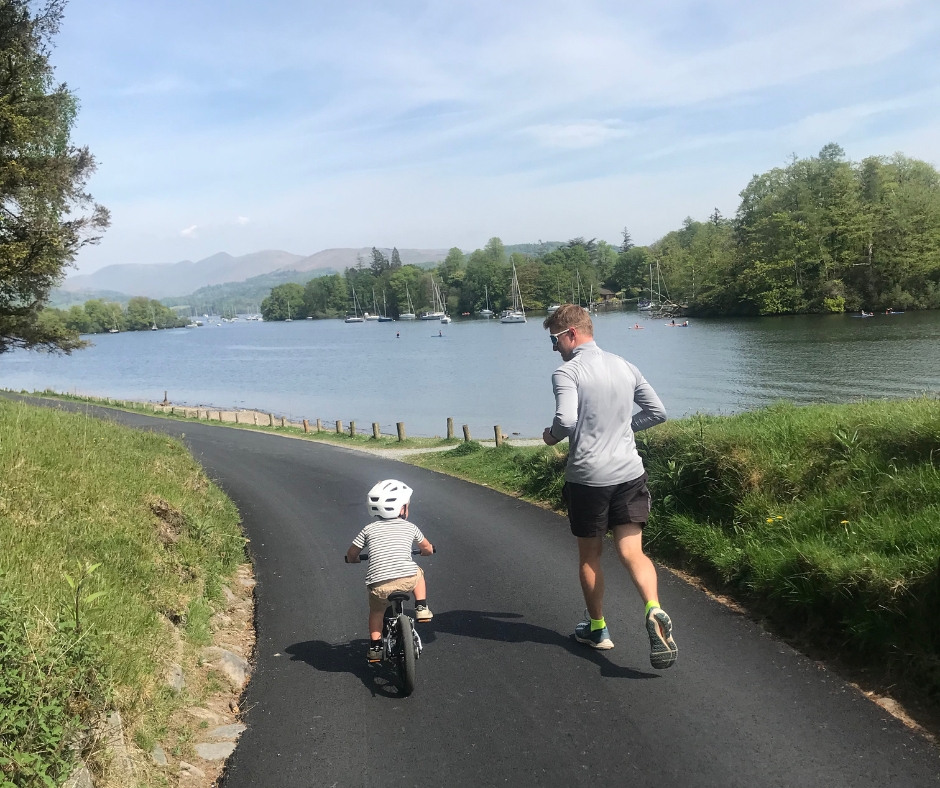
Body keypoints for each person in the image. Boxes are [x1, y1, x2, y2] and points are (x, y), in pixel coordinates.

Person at [541, 304, 678, 670]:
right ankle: (653, 608)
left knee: (590, 556)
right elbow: (658, 412)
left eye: (555, 340)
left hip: (589, 479)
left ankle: (598, 629)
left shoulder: (567, 372)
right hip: (630, 473)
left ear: (571, 334)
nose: (554, 347)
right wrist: (622, 428)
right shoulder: (625, 365)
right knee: (633, 552)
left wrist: (550, 437)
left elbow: (565, 419)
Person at [346, 479, 434, 663]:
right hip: (407, 579)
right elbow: (426, 547)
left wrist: (353, 559)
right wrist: (428, 551)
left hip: (379, 586)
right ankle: (421, 607)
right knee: (417, 572)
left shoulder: (368, 529)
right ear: (402, 509)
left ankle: (375, 648)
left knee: (376, 613)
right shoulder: (410, 527)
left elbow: (352, 553)